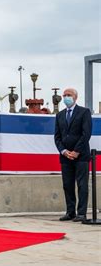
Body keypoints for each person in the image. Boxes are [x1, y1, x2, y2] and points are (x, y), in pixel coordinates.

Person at [54, 88, 92, 222]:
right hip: (65, 157)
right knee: (67, 185)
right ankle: (70, 212)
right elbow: (57, 137)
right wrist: (64, 151)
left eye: (68, 95)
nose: (65, 97)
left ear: (75, 97)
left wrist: (76, 151)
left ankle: (81, 213)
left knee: (82, 185)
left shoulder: (84, 112)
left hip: (81, 156)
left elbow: (86, 134)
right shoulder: (60, 115)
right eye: (64, 95)